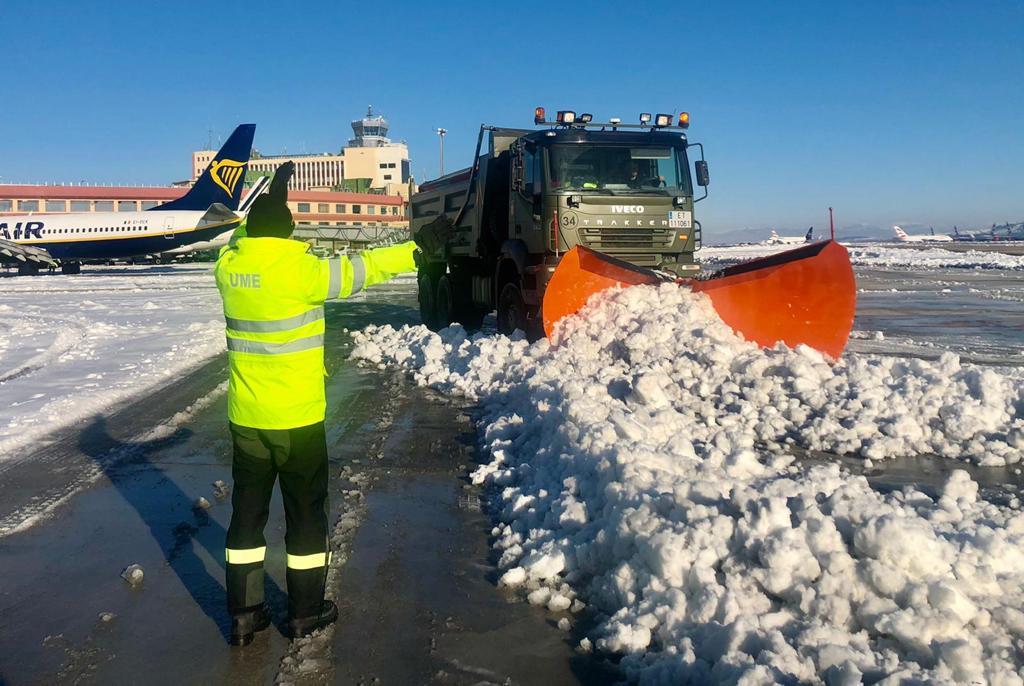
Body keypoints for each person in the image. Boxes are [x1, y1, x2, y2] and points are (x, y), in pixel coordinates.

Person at [214, 162, 454, 645]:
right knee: (305, 517)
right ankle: (304, 613)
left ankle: (244, 615)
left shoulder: (230, 268)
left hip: (246, 419)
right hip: (298, 420)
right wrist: (416, 249)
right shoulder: (301, 271)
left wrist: (271, 196)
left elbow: (244, 235)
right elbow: (362, 271)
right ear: (287, 234)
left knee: (246, 516)